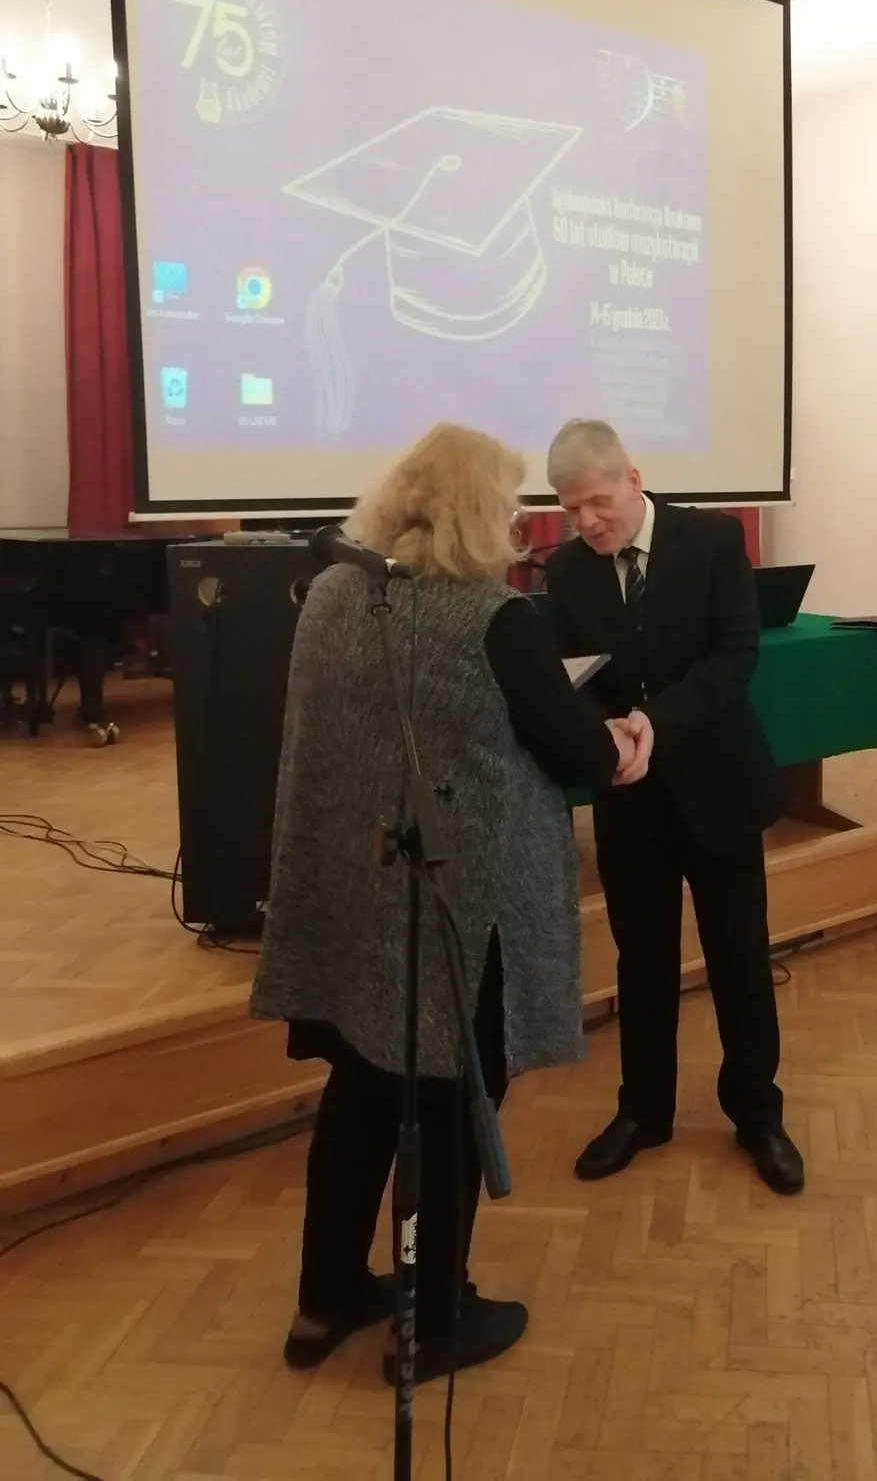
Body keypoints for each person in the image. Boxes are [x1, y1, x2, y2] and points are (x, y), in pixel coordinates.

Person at [250, 423, 651, 1384]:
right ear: (477, 511)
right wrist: (624, 744)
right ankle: (431, 1324)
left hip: (353, 902)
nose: (520, 522)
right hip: (454, 911)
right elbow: (574, 749)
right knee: (452, 1104)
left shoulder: (333, 592)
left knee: (359, 1091)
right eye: (508, 503)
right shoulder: (494, 620)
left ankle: (323, 1301)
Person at [542, 420, 804, 1195]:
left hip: (717, 784)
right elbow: (570, 675)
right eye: (569, 509)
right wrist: (603, 730)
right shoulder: (567, 569)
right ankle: (644, 1109)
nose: (587, 521)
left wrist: (657, 721)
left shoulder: (712, 540)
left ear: (633, 477)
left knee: (740, 960)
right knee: (643, 963)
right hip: (631, 797)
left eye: (597, 501)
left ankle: (757, 1112)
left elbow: (735, 655)